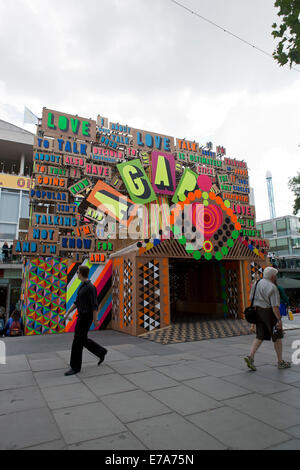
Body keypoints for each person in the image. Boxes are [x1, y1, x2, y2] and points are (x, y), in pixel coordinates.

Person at [244, 266, 291, 371]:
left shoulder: (257, 283)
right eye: (276, 276)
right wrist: (279, 320)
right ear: (273, 276)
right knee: (277, 337)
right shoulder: (272, 287)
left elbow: (250, 298)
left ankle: (250, 357)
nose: (276, 278)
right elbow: (275, 307)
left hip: (258, 312)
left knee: (259, 336)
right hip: (269, 312)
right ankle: (280, 362)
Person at [64, 265, 107, 376]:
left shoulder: (91, 288)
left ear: (81, 273)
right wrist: (68, 312)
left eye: (77, 272)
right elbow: (77, 302)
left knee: (77, 342)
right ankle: (101, 351)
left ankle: (75, 367)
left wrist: (95, 319)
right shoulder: (82, 286)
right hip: (81, 316)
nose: (77, 273)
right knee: (82, 340)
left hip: (86, 318)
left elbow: (94, 305)